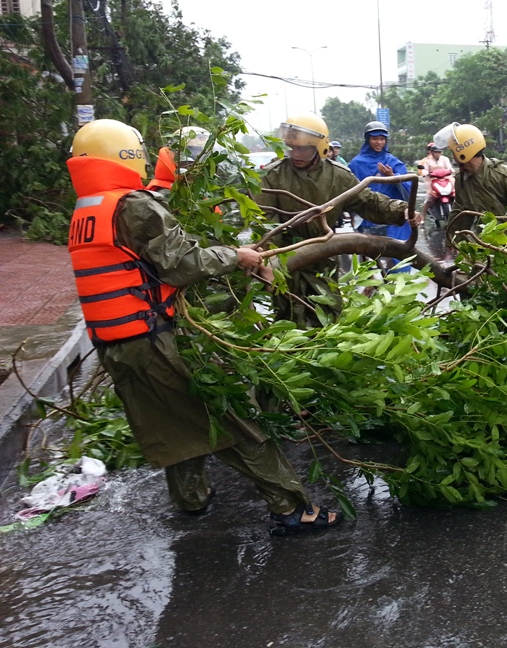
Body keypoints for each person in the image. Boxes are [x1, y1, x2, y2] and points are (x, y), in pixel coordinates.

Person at [65, 118, 339, 534]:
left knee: (168, 422)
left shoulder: (88, 210)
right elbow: (183, 264)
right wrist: (238, 256)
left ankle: (191, 499)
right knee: (233, 421)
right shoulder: (133, 205)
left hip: (114, 344)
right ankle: (292, 509)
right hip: (152, 339)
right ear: (127, 154)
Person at [256, 113, 421, 323]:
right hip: (285, 259)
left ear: (319, 147)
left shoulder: (339, 176)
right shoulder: (272, 176)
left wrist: (402, 211)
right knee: (288, 317)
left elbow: (368, 201)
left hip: (324, 256)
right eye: (291, 147)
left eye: (302, 149)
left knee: (328, 314)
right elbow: (264, 221)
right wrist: (272, 261)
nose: (295, 154)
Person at [436, 122, 507, 246]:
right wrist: (453, 241)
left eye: (453, 152)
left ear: (463, 151)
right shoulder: (462, 180)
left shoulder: (504, 175)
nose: (453, 157)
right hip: (487, 243)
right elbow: (461, 213)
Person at [346, 121, 414, 271]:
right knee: (368, 255)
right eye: (375, 138)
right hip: (367, 218)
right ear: (367, 139)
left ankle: (393, 286)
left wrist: (392, 176)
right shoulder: (356, 164)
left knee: (395, 255)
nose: (379, 142)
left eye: (382, 138)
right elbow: (350, 191)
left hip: (390, 216)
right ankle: (371, 284)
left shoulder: (392, 161)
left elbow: (408, 187)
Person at [417, 142, 454, 219]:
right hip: (432, 180)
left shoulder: (445, 159)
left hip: (445, 179)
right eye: (435, 152)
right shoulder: (427, 161)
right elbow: (424, 170)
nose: (437, 154)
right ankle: (422, 217)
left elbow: (449, 168)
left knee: (455, 193)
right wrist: (426, 173)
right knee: (429, 198)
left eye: (439, 152)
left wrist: (452, 170)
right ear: (431, 152)